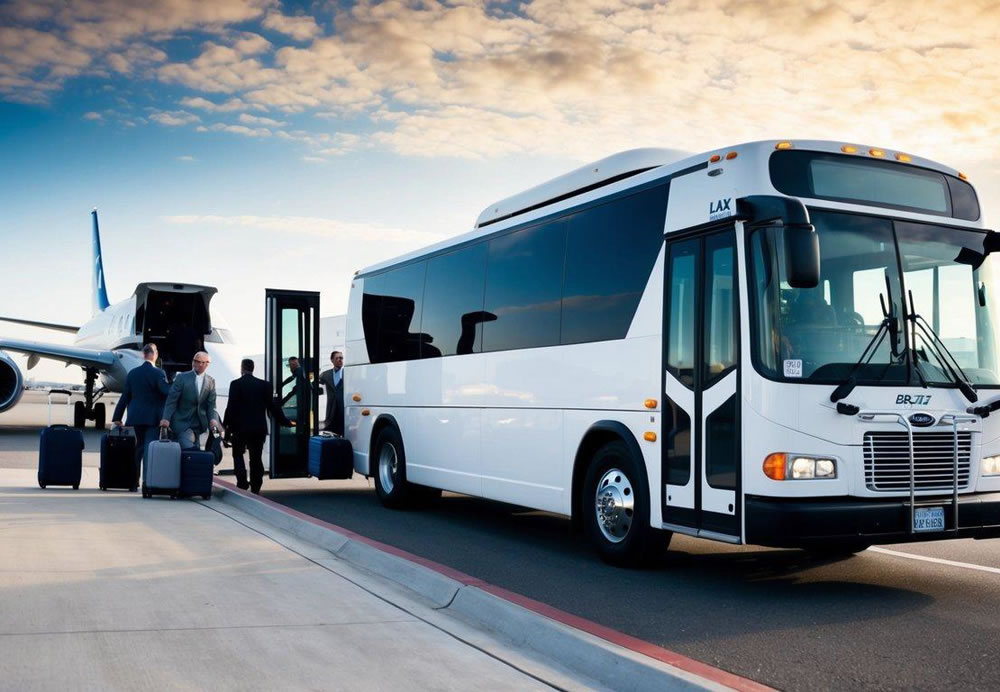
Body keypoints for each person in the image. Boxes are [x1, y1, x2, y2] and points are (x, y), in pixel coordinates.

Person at [223, 359, 293, 493]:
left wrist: (226, 428)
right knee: (256, 458)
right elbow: (273, 407)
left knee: (237, 454)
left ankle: (242, 482)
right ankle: (256, 486)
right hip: (258, 428)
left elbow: (230, 407)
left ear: (242, 368)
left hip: (239, 428)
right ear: (253, 368)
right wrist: (285, 422)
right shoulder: (264, 385)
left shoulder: (236, 384)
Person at [111, 343, 170, 481]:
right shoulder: (159, 373)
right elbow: (166, 392)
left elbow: (125, 397)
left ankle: (132, 482)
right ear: (155, 354)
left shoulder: (132, 374)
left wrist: (117, 417)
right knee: (150, 449)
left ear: (143, 355)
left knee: (136, 450)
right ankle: (147, 481)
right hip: (153, 419)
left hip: (135, 418)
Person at [160, 350, 223, 450]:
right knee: (189, 449)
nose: (194, 363)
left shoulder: (211, 381)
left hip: (199, 425)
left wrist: (213, 420)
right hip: (182, 423)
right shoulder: (182, 378)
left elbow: (212, 405)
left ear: (206, 364)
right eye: (194, 360)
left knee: (196, 453)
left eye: (198, 361)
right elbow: (171, 400)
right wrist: (166, 418)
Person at [318, 350, 344, 435]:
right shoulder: (326, 374)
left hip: (343, 408)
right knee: (331, 432)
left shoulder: (347, 373)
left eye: (341, 358)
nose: (340, 360)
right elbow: (316, 383)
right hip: (331, 410)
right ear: (332, 360)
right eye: (337, 358)